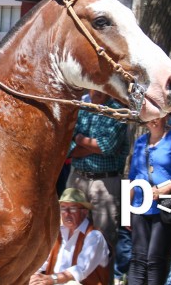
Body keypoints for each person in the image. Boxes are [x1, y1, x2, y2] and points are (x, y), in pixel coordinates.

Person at [67, 89, 130, 276]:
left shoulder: (118, 111)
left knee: (104, 238)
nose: (98, 91)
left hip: (105, 182)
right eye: (95, 87)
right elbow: (69, 148)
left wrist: (80, 140)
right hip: (77, 178)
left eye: (103, 88)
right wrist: (90, 145)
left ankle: (103, 279)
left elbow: (108, 146)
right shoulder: (83, 108)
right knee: (72, 232)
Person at [127, 115, 171, 285]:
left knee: (154, 258)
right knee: (137, 257)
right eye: (149, 116)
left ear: (165, 116)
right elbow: (133, 176)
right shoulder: (141, 141)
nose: (154, 120)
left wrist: (164, 190)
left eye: (158, 115)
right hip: (140, 204)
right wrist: (126, 210)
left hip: (165, 204)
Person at [30, 188, 111, 285]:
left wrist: (51, 279)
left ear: (84, 212)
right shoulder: (57, 233)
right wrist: (34, 275)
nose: (67, 213)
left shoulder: (94, 236)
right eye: (63, 208)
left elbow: (80, 270)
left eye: (73, 208)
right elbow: (42, 262)